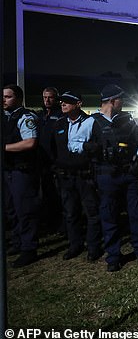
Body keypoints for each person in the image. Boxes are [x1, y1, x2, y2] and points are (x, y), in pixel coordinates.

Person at [86, 84, 138, 272]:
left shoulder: (127, 120)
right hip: (106, 175)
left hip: (128, 174)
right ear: (112, 101)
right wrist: (87, 149)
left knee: (137, 213)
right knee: (109, 215)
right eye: (120, 100)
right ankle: (114, 256)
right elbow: (74, 143)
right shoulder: (91, 122)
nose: (122, 103)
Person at [50, 91, 102, 262]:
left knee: (91, 212)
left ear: (78, 103)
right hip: (65, 177)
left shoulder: (91, 122)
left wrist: (86, 150)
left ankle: (93, 247)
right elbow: (52, 149)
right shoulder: (59, 124)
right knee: (70, 213)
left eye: (67, 102)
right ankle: (75, 245)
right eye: (61, 102)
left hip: (85, 176)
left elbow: (99, 146)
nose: (63, 104)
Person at [2, 84, 40, 267]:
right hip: (8, 170)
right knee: (11, 210)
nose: (4, 100)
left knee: (24, 210)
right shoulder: (5, 117)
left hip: (22, 171)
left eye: (8, 97)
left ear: (17, 98)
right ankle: (18, 243)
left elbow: (30, 142)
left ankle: (29, 248)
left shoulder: (26, 117)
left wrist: (4, 149)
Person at [37, 86, 64, 235]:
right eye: (45, 97)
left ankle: (61, 224)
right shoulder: (40, 116)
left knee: (59, 196)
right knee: (46, 194)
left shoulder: (60, 116)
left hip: (55, 163)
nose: (47, 100)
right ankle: (49, 223)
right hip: (42, 163)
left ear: (56, 99)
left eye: (50, 97)